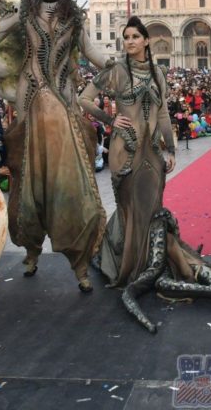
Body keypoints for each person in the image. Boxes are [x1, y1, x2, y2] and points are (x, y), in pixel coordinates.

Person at [0, 0, 108, 291]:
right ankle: (32, 251)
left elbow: (94, 54)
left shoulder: (74, 17)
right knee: (29, 182)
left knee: (71, 183)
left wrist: (122, 64)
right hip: (30, 104)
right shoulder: (24, 12)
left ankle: (80, 264)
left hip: (65, 107)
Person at [78, 17, 178, 286]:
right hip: (125, 147)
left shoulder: (159, 74)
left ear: (146, 40)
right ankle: (126, 265)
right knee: (127, 206)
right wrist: (110, 120)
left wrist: (170, 149)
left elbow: (164, 115)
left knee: (151, 206)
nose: (130, 41)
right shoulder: (115, 70)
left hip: (154, 150)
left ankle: (149, 262)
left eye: (135, 36)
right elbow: (83, 100)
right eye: (127, 37)